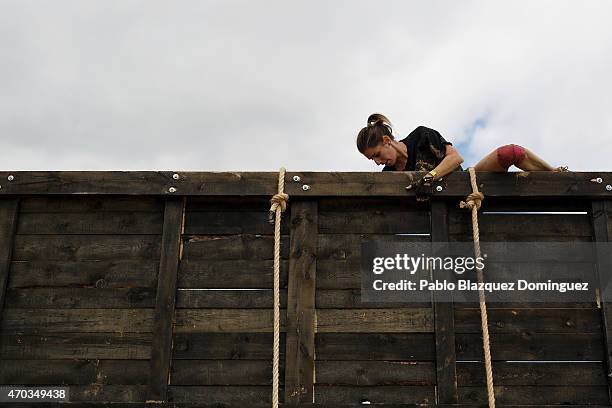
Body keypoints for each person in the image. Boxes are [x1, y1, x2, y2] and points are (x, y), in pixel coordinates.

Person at [356, 113, 567, 201]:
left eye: (377, 155)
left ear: (386, 140)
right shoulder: (389, 175)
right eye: (372, 160)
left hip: (467, 183)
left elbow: (456, 159)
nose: (377, 162)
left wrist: (430, 176)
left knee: (510, 152)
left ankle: (552, 173)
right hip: (443, 211)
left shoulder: (422, 136)